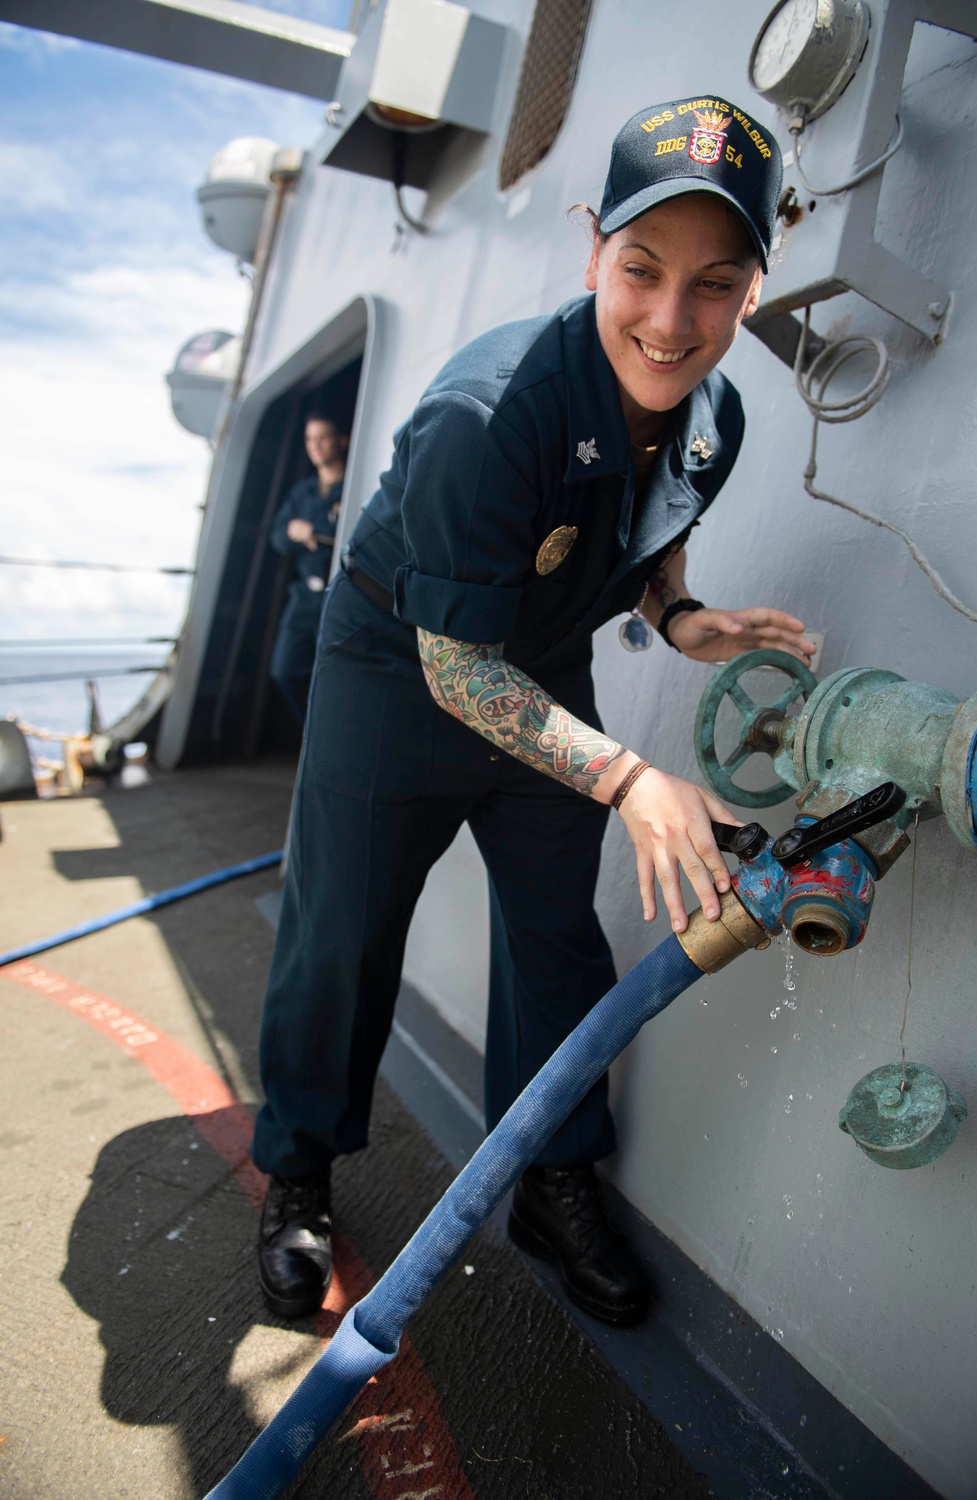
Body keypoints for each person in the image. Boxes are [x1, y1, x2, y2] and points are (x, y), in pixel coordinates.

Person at [252, 94, 815, 1327]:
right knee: (340, 933)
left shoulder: (714, 416)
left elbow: (647, 538)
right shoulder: (486, 412)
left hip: (546, 669)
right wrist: (629, 778)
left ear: (756, 284)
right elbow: (456, 673)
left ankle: (550, 1179)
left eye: (715, 285)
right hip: (400, 665)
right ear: (590, 247)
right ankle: (296, 1170)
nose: (671, 321)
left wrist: (678, 617)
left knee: (556, 933)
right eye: (641, 270)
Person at [268, 413, 349, 723]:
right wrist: (292, 531)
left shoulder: (356, 484)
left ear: (340, 440)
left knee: (335, 675)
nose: (315, 446)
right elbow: (277, 535)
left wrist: (315, 530)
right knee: (285, 671)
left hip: (341, 595)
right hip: (305, 596)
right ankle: (313, 733)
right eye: (309, 439)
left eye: (323, 437)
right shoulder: (302, 492)